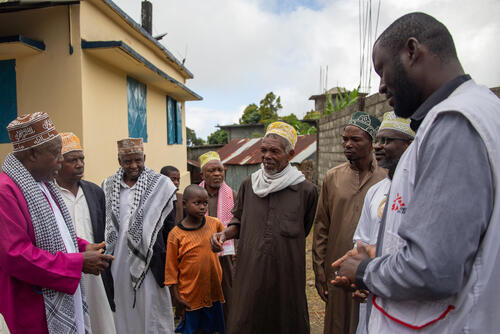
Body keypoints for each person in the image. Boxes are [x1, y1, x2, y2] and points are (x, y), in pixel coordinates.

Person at [333, 12, 500, 333]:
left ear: (412, 51)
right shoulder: (484, 110)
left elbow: (433, 269)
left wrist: (366, 270)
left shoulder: (454, 123)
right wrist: (383, 254)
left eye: (382, 69)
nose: (380, 86)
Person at [0, 112, 113, 334]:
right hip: (32, 305)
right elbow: (15, 255)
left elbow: (56, 231)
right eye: (56, 154)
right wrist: (77, 263)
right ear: (33, 154)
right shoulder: (6, 191)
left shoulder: (42, 183)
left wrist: (82, 247)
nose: (61, 160)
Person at [210, 121, 318, 334]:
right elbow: (239, 221)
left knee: (285, 319)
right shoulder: (249, 184)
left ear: (290, 154)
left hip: (286, 269)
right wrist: (224, 234)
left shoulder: (306, 190)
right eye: (264, 150)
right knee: (248, 317)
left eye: (274, 151)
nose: (267, 156)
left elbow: (304, 228)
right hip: (251, 267)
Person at [312, 111, 386, 334]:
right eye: (345, 139)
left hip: (371, 267)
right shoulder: (333, 177)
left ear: (372, 143)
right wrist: (319, 270)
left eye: (355, 139)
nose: (347, 144)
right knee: (337, 323)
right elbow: (321, 226)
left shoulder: (386, 178)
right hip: (337, 267)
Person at [102, 138, 177, 334]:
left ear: (144, 158)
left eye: (137, 160)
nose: (133, 165)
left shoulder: (162, 184)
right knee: (122, 306)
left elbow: (169, 226)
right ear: (119, 161)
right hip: (118, 261)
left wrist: (167, 259)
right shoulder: (108, 185)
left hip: (151, 261)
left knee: (151, 306)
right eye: (127, 161)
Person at [351, 112, 414, 334]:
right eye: (378, 140)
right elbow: (361, 239)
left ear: (409, 145)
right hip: (371, 286)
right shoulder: (375, 192)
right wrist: (359, 276)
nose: (378, 146)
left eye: (387, 141)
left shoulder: (419, 189)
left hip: (406, 289)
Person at [55, 132, 116, 333]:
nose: (80, 164)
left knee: (101, 321)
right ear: (58, 163)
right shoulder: (49, 194)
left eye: (82, 159)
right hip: (66, 271)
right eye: (73, 160)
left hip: (95, 273)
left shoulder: (94, 192)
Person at [165, 185, 226, 334]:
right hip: (190, 294)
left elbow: (224, 236)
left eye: (205, 203)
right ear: (184, 204)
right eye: (197, 203)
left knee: (213, 328)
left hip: (213, 290)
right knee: (192, 329)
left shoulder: (214, 223)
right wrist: (176, 297)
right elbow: (171, 269)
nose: (202, 207)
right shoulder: (176, 234)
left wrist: (221, 242)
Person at [198, 151, 237, 322]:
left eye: (220, 170)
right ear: (202, 175)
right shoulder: (193, 196)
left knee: (227, 293)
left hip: (226, 255)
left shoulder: (233, 195)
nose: (217, 174)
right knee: (202, 294)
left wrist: (238, 249)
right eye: (211, 171)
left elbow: (240, 224)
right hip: (200, 255)